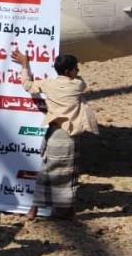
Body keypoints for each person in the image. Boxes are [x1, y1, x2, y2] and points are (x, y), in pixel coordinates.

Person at [12, 50, 99, 221]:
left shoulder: (48, 84)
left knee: (45, 172)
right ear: (68, 72)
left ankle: (33, 209)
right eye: (76, 69)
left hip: (52, 134)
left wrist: (24, 64)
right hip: (68, 137)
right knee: (68, 175)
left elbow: (27, 85)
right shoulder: (77, 85)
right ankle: (65, 210)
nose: (78, 71)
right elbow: (82, 82)